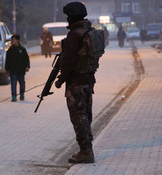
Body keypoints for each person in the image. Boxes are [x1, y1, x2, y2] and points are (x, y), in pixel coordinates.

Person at [55, 2, 96, 164]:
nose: (67, 20)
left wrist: (61, 79)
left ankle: (85, 151)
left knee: (78, 117)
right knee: (86, 115)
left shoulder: (75, 35)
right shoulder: (90, 32)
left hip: (76, 83)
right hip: (89, 80)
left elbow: (69, 60)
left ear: (72, 17)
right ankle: (87, 147)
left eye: (68, 17)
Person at [5, 34, 30, 102]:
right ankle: (14, 96)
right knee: (13, 83)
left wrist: (27, 66)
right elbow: (7, 60)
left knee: (22, 83)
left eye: (13, 40)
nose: (11, 42)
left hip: (21, 70)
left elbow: (26, 59)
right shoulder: (10, 50)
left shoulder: (22, 49)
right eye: (11, 40)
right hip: (13, 70)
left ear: (17, 40)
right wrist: (7, 69)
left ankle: (22, 94)